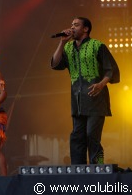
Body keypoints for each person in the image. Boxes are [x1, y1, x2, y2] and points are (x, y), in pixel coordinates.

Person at [51, 17, 120, 164]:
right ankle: (78, 169)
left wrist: (101, 85)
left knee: (92, 135)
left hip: (96, 99)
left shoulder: (97, 45)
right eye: (71, 25)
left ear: (86, 29)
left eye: (76, 25)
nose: (72, 27)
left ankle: (98, 166)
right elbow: (55, 64)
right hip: (77, 100)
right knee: (77, 136)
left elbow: (111, 69)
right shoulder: (68, 48)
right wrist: (62, 42)